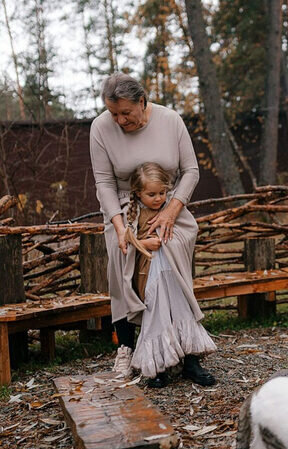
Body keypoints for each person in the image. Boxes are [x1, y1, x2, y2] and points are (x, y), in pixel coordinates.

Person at [90, 72, 216, 386]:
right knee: (127, 278)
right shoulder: (100, 128)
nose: (119, 120)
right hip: (124, 211)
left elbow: (191, 171)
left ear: (143, 102)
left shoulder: (170, 120)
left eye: (126, 113)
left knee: (172, 276)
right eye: (113, 113)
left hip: (169, 207)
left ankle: (188, 355)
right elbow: (104, 182)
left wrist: (173, 210)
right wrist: (119, 227)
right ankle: (128, 348)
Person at [112, 163, 216, 388]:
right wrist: (144, 243)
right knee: (156, 317)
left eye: (162, 193)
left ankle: (191, 362)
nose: (158, 198)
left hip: (174, 275)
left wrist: (168, 239)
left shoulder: (172, 209)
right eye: (151, 194)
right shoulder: (131, 214)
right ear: (138, 192)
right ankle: (158, 367)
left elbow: (189, 231)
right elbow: (125, 247)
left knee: (181, 311)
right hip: (149, 277)